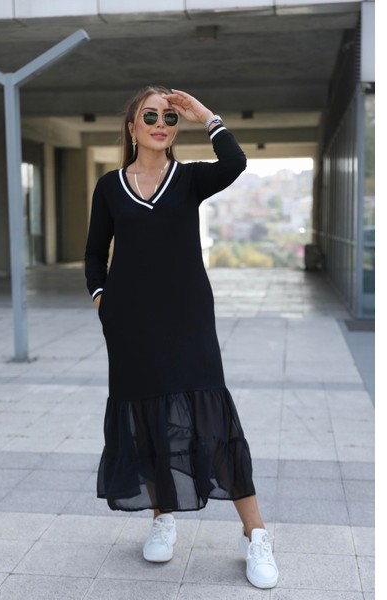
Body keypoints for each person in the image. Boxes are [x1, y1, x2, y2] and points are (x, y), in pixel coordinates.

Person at [84, 85, 279, 589]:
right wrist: (103, 300)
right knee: (148, 420)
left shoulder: (189, 178)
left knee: (213, 420)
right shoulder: (109, 186)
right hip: (130, 326)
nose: (160, 124)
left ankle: (255, 534)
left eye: (169, 117)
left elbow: (235, 162)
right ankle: (162, 518)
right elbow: (94, 254)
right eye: (149, 116)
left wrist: (204, 114)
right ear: (132, 127)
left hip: (188, 320)